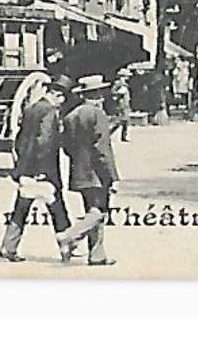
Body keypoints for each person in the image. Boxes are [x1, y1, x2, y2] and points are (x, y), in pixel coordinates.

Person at [0, 75, 74, 262]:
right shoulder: (49, 112)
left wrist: (22, 164)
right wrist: (43, 171)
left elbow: (19, 140)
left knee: (20, 210)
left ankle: (8, 247)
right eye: (62, 96)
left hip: (25, 168)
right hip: (44, 171)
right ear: (56, 94)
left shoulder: (31, 109)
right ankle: (66, 249)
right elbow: (45, 142)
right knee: (58, 210)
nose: (63, 101)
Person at [57, 75, 119, 266]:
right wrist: (112, 176)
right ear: (97, 94)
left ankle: (97, 255)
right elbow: (102, 148)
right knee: (99, 211)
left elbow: (66, 147)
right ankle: (69, 235)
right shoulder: (97, 114)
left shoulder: (71, 116)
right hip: (96, 172)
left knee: (91, 210)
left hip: (78, 171)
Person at [108, 70, 132, 143]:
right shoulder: (118, 84)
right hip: (121, 104)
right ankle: (108, 134)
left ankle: (124, 136)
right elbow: (113, 92)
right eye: (126, 76)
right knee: (119, 121)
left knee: (126, 121)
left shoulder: (124, 84)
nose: (127, 77)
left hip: (125, 103)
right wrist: (119, 93)